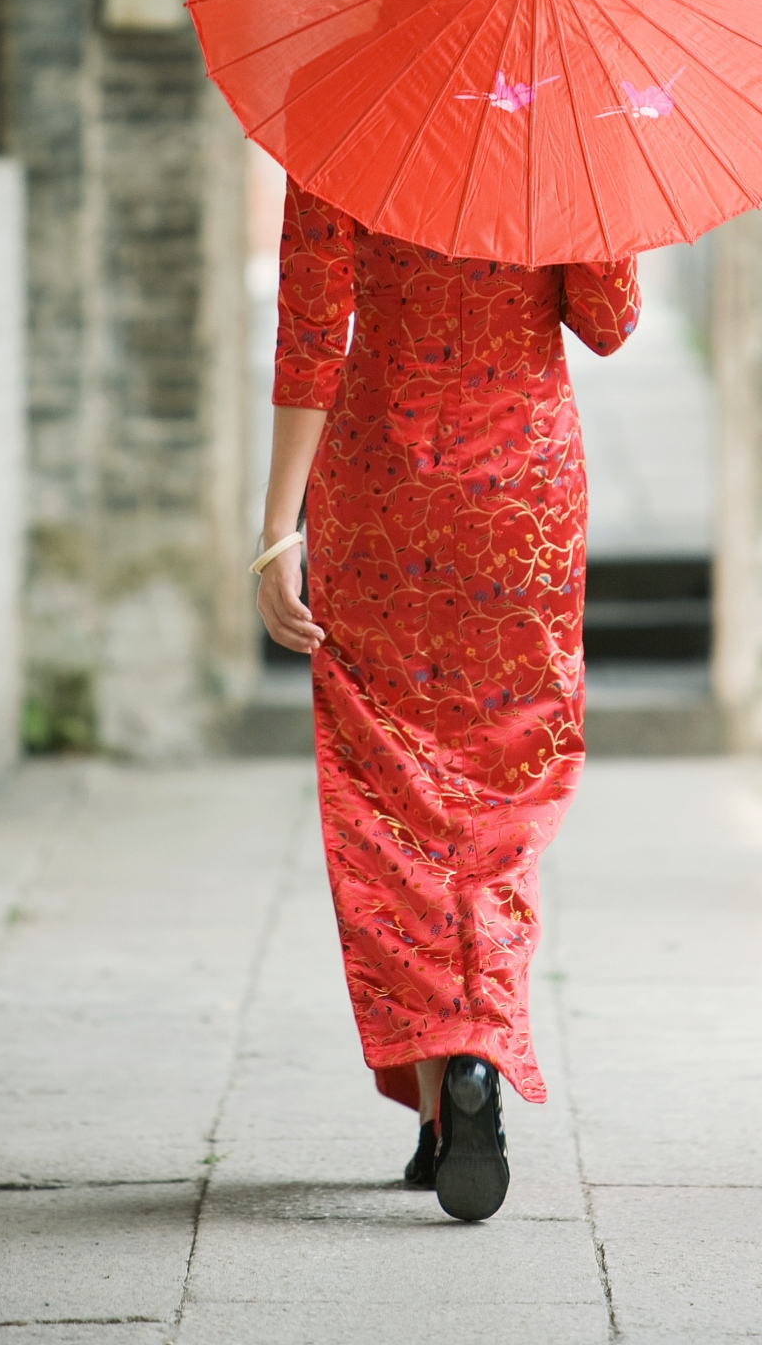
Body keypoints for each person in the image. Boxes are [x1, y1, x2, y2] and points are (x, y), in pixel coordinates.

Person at [254, 177, 640, 1222]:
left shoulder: (344, 115)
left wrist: (277, 526)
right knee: (500, 779)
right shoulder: (558, 123)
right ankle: (472, 1053)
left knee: (387, 785)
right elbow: (607, 323)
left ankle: (444, 1088)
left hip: (378, 480)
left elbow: (309, 327)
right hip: (522, 491)